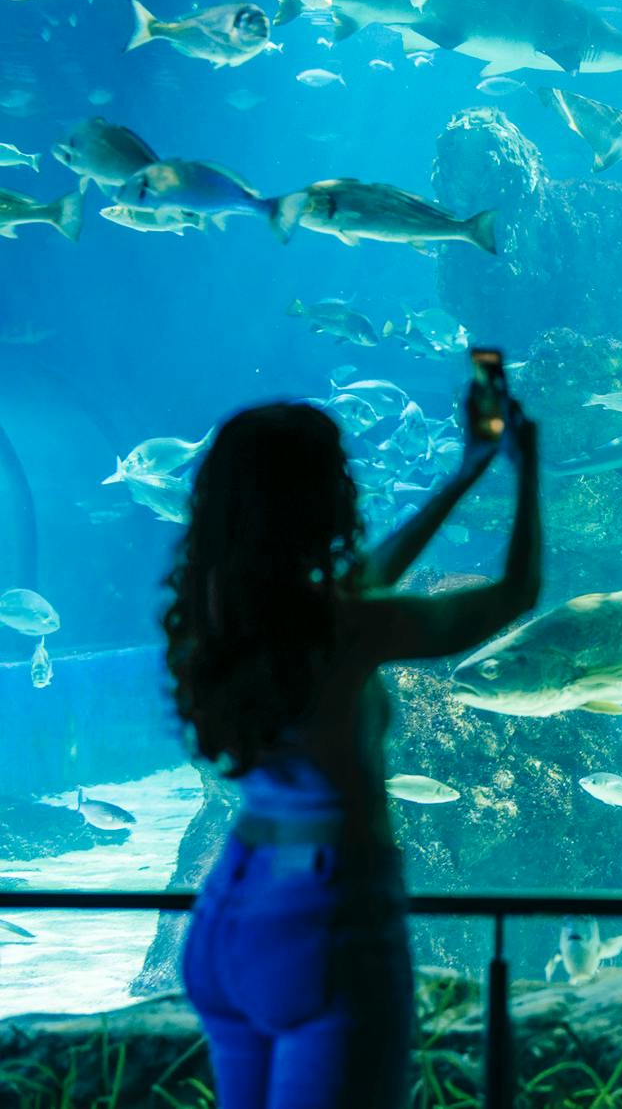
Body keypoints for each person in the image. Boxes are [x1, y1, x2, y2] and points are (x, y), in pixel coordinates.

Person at [164, 385, 541, 1108]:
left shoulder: (218, 609)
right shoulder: (347, 626)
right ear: (324, 498)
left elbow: (362, 580)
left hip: (230, 909)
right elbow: (516, 594)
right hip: (326, 916)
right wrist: (526, 469)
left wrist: (463, 476)